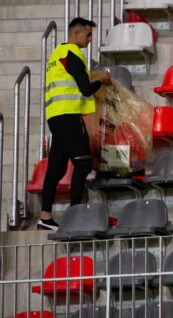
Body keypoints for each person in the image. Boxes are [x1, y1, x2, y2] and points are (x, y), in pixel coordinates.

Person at [38, 17, 111, 230]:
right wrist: (102, 81)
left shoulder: (56, 55)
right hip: (68, 116)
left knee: (56, 168)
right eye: (88, 35)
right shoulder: (73, 54)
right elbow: (86, 89)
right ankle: (75, 215)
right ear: (75, 34)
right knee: (83, 163)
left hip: (55, 116)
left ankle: (45, 216)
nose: (90, 39)